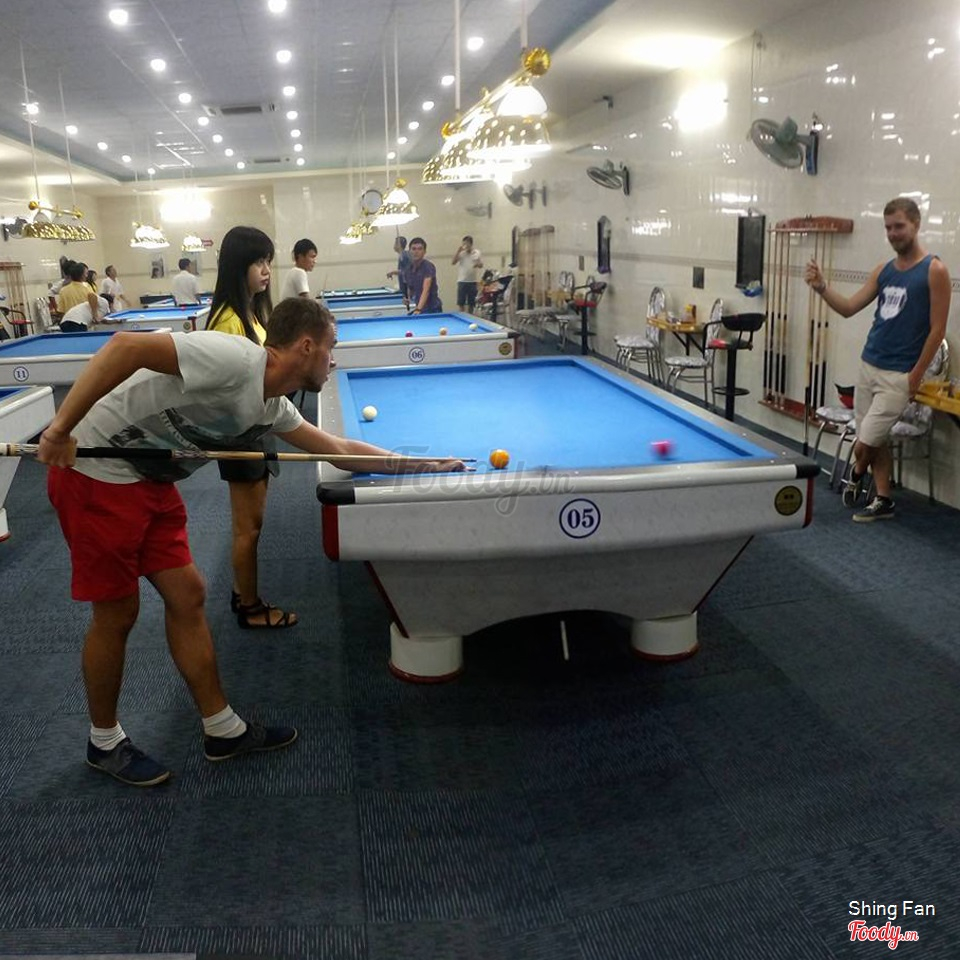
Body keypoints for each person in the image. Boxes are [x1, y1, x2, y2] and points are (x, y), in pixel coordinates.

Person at [37, 298, 463, 786]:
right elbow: (124, 346)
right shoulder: (233, 359)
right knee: (117, 613)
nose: (334, 359)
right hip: (94, 473)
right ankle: (103, 741)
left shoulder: (272, 406)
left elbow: (340, 450)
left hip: (149, 480)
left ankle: (221, 729)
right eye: (332, 347)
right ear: (307, 346)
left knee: (188, 594)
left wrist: (422, 464)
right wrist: (60, 429)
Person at [804, 196, 951, 522]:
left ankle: (856, 474)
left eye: (899, 226)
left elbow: (937, 331)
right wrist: (821, 287)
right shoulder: (883, 271)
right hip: (869, 365)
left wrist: (915, 376)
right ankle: (884, 499)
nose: (893, 233)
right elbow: (848, 307)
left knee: (864, 443)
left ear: (916, 224)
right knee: (877, 439)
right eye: (888, 228)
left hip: (899, 376)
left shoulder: (934, 270)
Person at [206, 226, 294, 629]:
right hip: (240, 433)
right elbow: (229, 388)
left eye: (268, 262)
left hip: (255, 428)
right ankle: (251, 607)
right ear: (237, 266)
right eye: (258, 262)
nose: (266, 270)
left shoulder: (250, 313)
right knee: (248, 528)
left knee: (251, 525)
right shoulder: (227, 321)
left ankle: (242, 592)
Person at [406, 237, 442, 314]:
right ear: (409, 251)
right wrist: (408, 298)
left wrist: (418, 309)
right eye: (413, 249)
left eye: (420, 249)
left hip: (433, 309)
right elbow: (410, 288)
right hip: (420, 307)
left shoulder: (428, 266)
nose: (416, 252)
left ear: (424, 252)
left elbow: (426, 290)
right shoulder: (409, 268)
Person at [452, 235, 483, 312]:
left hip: (472, 281)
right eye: (464, 244)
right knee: (461, 303)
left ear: (471, 244)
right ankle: (461, 316)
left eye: (466, 244)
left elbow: (481, 265)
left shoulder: (477, 252)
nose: (465, 246)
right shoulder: (461, 253)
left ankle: (470, 316)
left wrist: (478, 264)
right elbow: (453, 262)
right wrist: (458, 251)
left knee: (471, 303)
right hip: (462, 281)